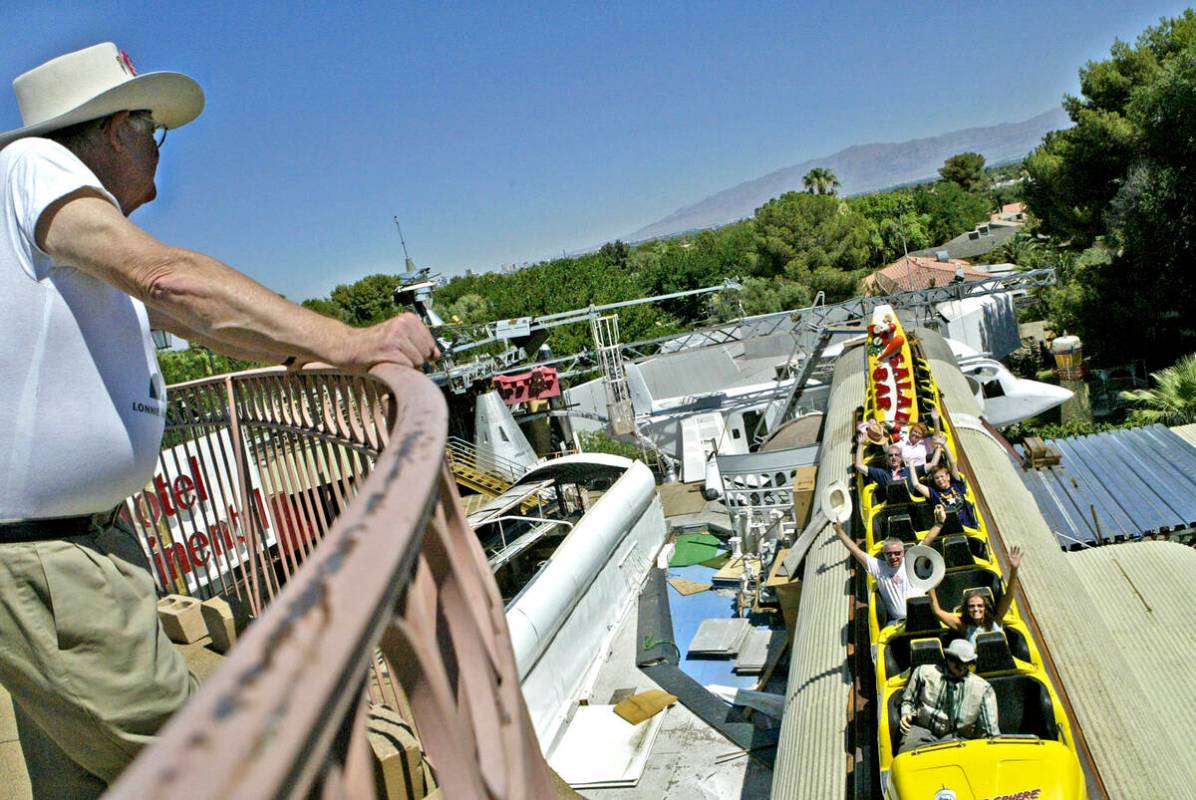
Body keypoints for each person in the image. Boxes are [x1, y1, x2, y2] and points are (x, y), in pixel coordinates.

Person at [0, 43, 438, 797]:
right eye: (150, 130)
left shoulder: (53, 216)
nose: (157, 149)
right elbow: (170, 280)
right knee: (219, 775)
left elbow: (201, 317)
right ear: (110, 131)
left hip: (76, 554)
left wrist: (300, 348)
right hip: (50, 568)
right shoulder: (36, 166)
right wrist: (353, 343)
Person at [833, 505, 947, 623]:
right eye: (889, 554)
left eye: (897, 553)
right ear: (884, 554)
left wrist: (939, 523)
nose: (893, 557)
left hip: (924, 615)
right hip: (898, 623)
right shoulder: (878, 567)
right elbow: (855, 550)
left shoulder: (912, 561)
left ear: (903, 553)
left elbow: (928, 540)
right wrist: (839, 531)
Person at [898, 638, 999, 752]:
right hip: (923, 731)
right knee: (907, 757)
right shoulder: (924, 673)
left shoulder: (983, 689)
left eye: (967, 663)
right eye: (957, 661)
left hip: (959, 740)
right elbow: (908, 701)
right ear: (948, 658)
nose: (962, 667)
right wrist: (906, 713)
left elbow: (991, 733)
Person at [930, 546, 1024, 644]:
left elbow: (1009, 596)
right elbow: (937, 611)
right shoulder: (964, 627)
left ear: (985, 608)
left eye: (979, 605)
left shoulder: (996, 621)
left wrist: (1014, 570)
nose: (976, 609)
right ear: (966, 609)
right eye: (971, 606)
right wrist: (930, 582)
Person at [909, 447, 978, 529]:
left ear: (948, 477)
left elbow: (953, 463)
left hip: (968, 527)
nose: (940, 480)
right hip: (951, 528)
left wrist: (944, 445)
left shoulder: (957, 485)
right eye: (937, 478)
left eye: (942, 476)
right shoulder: (934, 493)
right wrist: (911, 464)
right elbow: (916, 484)